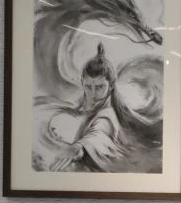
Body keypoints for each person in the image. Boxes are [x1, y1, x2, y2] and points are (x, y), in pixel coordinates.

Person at [46, 42, 126, 172]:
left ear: (111, 86)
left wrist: (79, 146)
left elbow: (100, 133)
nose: (92, 94)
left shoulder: (107, 116)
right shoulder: (83, 105)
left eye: (99, 87)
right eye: (88, 87)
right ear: (82, 82)